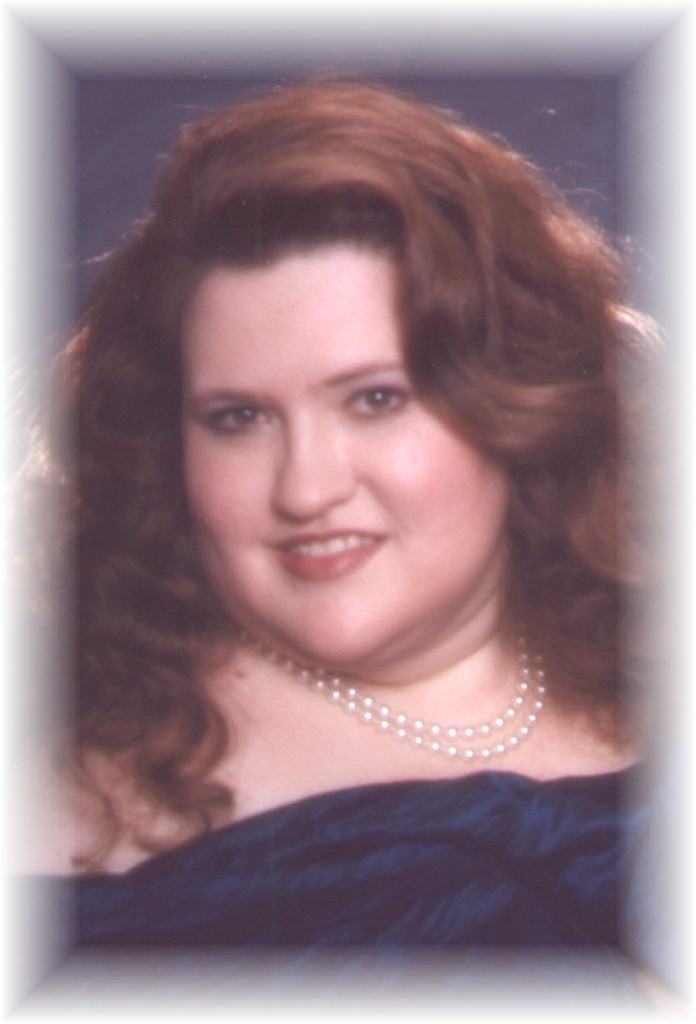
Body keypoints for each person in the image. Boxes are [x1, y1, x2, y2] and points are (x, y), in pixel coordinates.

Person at [23, 79, 661, 981]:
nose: (307, 489)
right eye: (239, 418)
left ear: (515, 404)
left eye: (374, 400)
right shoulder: (65, 796)